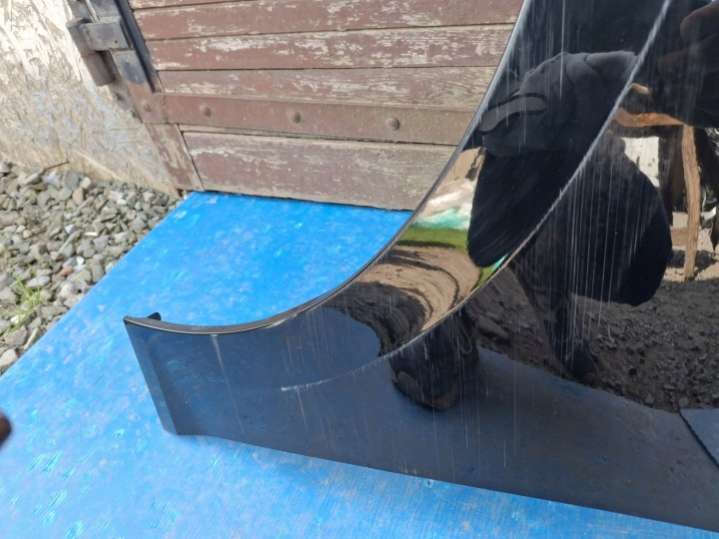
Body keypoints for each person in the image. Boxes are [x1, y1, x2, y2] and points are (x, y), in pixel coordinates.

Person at [391, 0, 719, 409]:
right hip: (442, 109)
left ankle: (532, 254)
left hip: (540, 118)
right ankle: (434, 294)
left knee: (640, 255)